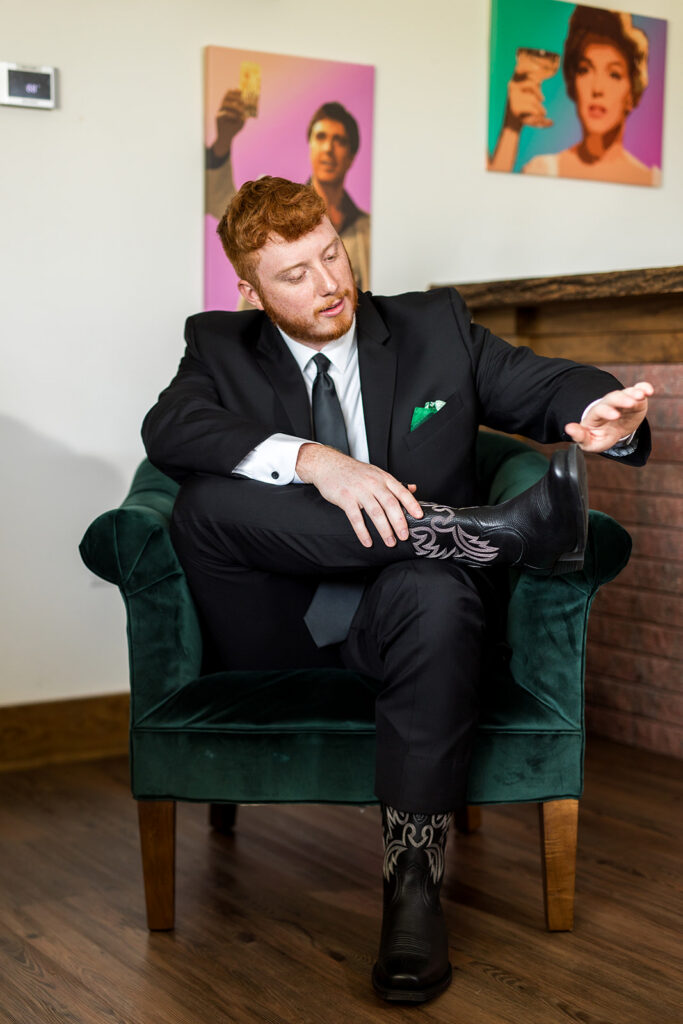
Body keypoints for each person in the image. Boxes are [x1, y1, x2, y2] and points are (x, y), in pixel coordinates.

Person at [142, 176, 652, 1004]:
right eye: (295, 275)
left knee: (439, 591)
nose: (329, 284)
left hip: (408, 616)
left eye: (331, 255)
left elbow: (543, 382)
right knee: (203, 498)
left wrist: (605, 412)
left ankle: (413, 885)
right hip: (278, 621)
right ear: (249, 290)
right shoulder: (217, 345)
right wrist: (318, 462)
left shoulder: (431, 327)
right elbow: (169, 430)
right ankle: (478, 533)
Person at [206, 95, 370, 289]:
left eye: (339, 141)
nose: (328, 149)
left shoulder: (366, 230)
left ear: (351, 157)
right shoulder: (274, 215)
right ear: (310, 146)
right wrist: (223, 141)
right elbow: (222, 204)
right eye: (321, 137)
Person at [488, 7, 659, 185]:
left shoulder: (653, 180)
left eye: (614, 74)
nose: (597, 88)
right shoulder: (541, 170)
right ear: (573, 82)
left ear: (632, 93)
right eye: (585, 70)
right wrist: (511, 128)